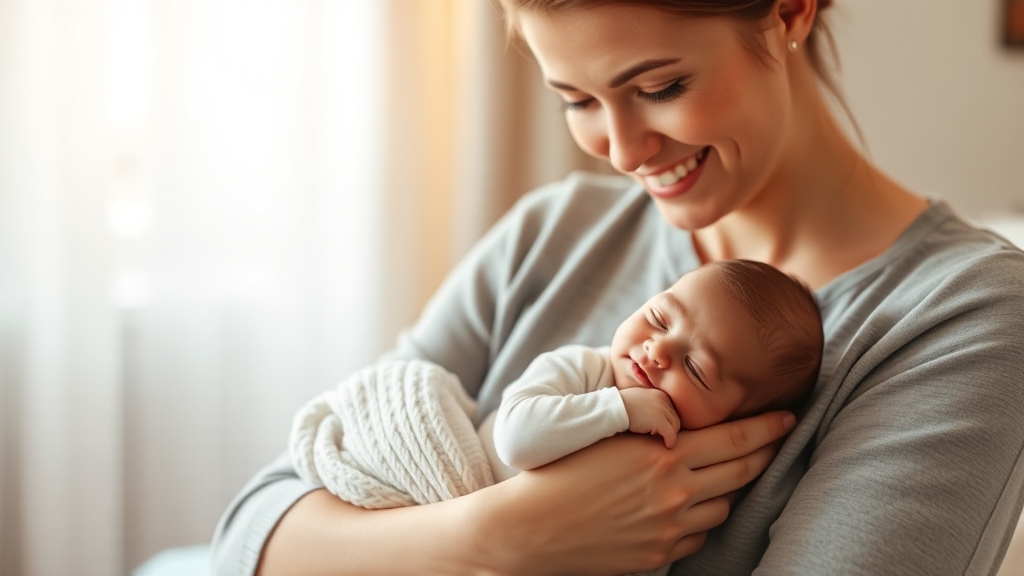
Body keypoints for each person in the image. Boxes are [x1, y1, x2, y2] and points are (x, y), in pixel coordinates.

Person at [211, 1, 1024, 574]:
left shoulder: (963, 317)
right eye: (576, 100)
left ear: (789, 11)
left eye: (660, 87)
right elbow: (253, 532)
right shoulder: (554, 233)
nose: (623, 150)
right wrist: (498, 539)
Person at [490, 259, 822, 477]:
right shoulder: (583, 369)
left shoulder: (690, 468)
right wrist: (619, 408)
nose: (658, 349)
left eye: (694, 367)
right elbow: (514, 440)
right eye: (659, 318)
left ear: (736, 422)